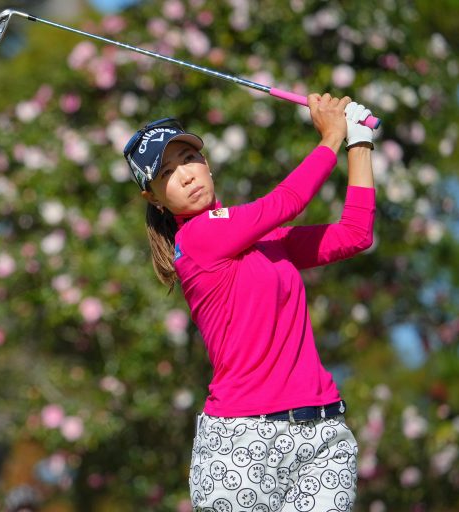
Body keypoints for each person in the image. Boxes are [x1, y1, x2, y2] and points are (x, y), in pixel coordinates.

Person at [123, 94, 376, 511]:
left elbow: (354, 234)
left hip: (322, 432)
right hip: (243, 441)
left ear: (206, 164)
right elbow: (288, 202)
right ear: (155, 198)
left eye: (189, 159)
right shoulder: (198, 238)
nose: (185, 176)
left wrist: (359, 142)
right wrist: (331, 136)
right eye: (166, 173)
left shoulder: (265, 240)